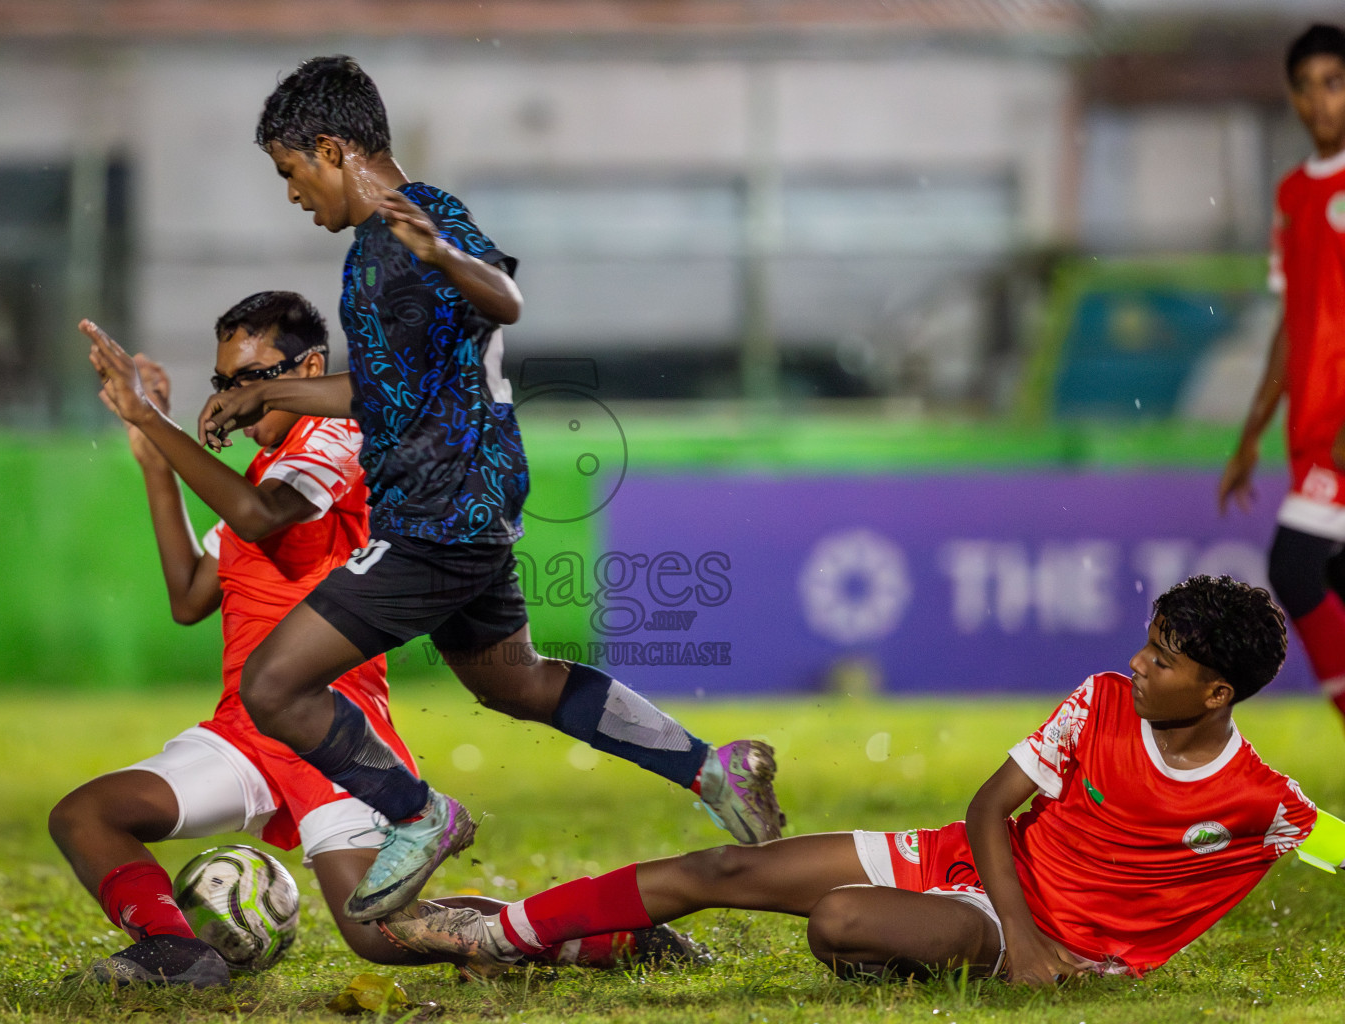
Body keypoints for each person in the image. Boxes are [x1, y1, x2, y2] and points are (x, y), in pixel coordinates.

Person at [192, 55, 784, 924]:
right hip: (465, 508)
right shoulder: (379, 245)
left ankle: (416, 815)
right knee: (516, 683)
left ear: (328, 147)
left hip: (438, 516)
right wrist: (268, 392)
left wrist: (445, 255)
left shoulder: (418, 219)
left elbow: (504, 299)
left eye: (290, 174)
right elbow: (388, 394)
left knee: (275, 685)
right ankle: (710, 769)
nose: (291, 195)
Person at [58, 292, 678, 987]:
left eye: (250, 378)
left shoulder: (337, 441)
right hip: (247, 731)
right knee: (88, 814)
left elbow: (262, 517)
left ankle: (610, 933)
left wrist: (152, 417)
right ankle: (177, 952)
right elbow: (189, 598)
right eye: (223, 382)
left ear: (310, 367)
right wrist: (154, 458)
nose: (233, 399)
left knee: (382, 935)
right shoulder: (259, 472)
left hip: (328, 727)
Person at [382, 576, 1345, 985]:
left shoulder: (1263, 802)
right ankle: (499, 933)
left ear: (1218, 691)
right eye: (1145, 642)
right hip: (965, 866)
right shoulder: (1101, 700)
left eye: (1164, 659)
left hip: (1044, 930)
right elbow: (988, 810)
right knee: (721, 871)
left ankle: (899, 950)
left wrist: (1040, 951)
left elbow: (1337, 846)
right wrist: (1012, 942)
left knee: (842, 922)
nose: (1139, 663)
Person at [1220, 23, 1345, 724]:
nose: (1320, 102)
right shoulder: (1295, 194)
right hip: (1313, 428)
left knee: (1297, 569)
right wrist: (1250, 436)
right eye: (1306, 87)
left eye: (1334, 82)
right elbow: (1293, 323)